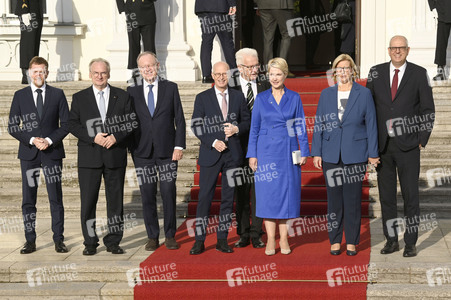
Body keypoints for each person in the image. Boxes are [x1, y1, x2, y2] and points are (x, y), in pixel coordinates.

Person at [366, 36, 435, 257]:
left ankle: (411, 242)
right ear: (388, 50)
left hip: (409, 146)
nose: (397, 51)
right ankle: (391, 240)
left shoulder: (418, 73)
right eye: (394, 48)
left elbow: (427, 110)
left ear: (407, 50)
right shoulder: (375, 72)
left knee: (410, 196)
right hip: (383, 147)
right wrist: (370, 146)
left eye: (401, 48)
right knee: (387, 198)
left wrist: (422, 139)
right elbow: (368, 110)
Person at [311, 54, 379, 256]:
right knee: (334, 201)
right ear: (334, 72)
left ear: (352, 71)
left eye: (346, 68)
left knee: (352, 200)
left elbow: (372, 125)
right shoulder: (326, 94)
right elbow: (319, 124)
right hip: (331, 155)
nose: (342, 72)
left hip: (356, 154)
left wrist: (373, 153)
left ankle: (351, 241)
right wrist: (316, 152)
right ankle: (334, 239)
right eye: (338, 69)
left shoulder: (364, 93)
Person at [68, 58, 136, 255]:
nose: (99, 76)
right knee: (88, 202)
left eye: (103, 72)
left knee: (115, 202)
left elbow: (131, 122)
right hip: (90, 158)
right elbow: (72, 124)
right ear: (90, 75)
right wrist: (93, 137)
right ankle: (90, 242)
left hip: (115, 156)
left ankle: (113, 241)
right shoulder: (80, 97)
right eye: (96, 73)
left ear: (109, 74)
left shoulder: (122, 96)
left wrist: (116, 137)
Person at [247, 57, 310, 255]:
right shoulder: (261, 98)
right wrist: (252, 154)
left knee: (286, 196)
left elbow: (299, 125)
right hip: (265, 153)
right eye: (272, 74)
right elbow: (254, 128)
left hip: (287, 152)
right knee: (267, 198)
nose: (274, 78)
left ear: (285, 75)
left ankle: (284, 239)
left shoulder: (294, 97)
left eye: (278, 74)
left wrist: (304, 151)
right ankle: (270, 240)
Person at [8, 56, 70, 254]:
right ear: (29, 73)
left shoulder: (58, 94)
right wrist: (33, 139)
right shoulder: (20, 96)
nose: (38, 75)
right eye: (35, 71)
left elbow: (66, 124)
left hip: (52, 153)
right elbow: (12, 126)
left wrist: (49, 140)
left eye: (42, 71)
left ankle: (59, 239)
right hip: (29, 154)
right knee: (28, 199)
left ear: (47, 73)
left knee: (55, 198)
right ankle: (30, 240)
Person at [190, 61, 250, 255]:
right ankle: (199, 240)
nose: (221, 77)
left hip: (233, 154)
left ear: (229, 75)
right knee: (204, 198)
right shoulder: (202, 98)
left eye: (225, 74)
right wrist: (213, 141)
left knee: (227, 199)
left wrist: (237, 129)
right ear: (213, 76)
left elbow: (248, 121)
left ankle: (222, 239)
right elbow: (197, 125)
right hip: (211, 154)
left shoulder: (238, 96)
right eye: (218, 74)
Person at [127, 52, 186, 251]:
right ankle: (152, 236)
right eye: (143, 67)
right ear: (139, 70)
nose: (147, 69)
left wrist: (179, 146)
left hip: (168, 151)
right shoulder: (131, 92)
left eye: (150, 65)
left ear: (158, 65)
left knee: (169, 191)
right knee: (147, 193)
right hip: (142, 152)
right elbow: (128, 122)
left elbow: (180, 119)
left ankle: (170, 234)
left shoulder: (171, 88)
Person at [229, 48, 270, 249]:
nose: (255, 70)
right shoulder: (230, 87)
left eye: (256, 65)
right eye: (250, 66)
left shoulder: (266, 86)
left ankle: (257, 233)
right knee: (241, 192)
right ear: (239, 67)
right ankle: (243, 233)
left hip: (262, 149)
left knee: (259, 192)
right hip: (238, 148)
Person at [195, 0, 237, 83]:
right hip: (219, 7)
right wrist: (232, 4)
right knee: (227, 41)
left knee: (206, 41)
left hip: (203, 7)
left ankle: (206, 75)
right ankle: (234, 74)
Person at [116, 0, 157, 71]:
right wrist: (122, 10)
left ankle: (152, 73)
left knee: (149, 47)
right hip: (131, 13)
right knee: (133, 46)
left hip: (148, 13)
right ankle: (134, 74)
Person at [254, 0, 294, 64]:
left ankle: (268, 68)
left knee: (267, 37)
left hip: (263, 5)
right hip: (281, 5)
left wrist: (257, 3)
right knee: (287, 34)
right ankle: (281, 67)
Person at [15, 0, 44, 84]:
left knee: (34, 43)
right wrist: (24, 10)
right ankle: (26, 74)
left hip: (36, 11)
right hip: (28, 11)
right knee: (28, 43)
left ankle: (33, 72)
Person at [428, 0, 451, 81]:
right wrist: (433, 7)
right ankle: (440, 70)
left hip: (443, 9)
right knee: (441, 43)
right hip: (442, 10)